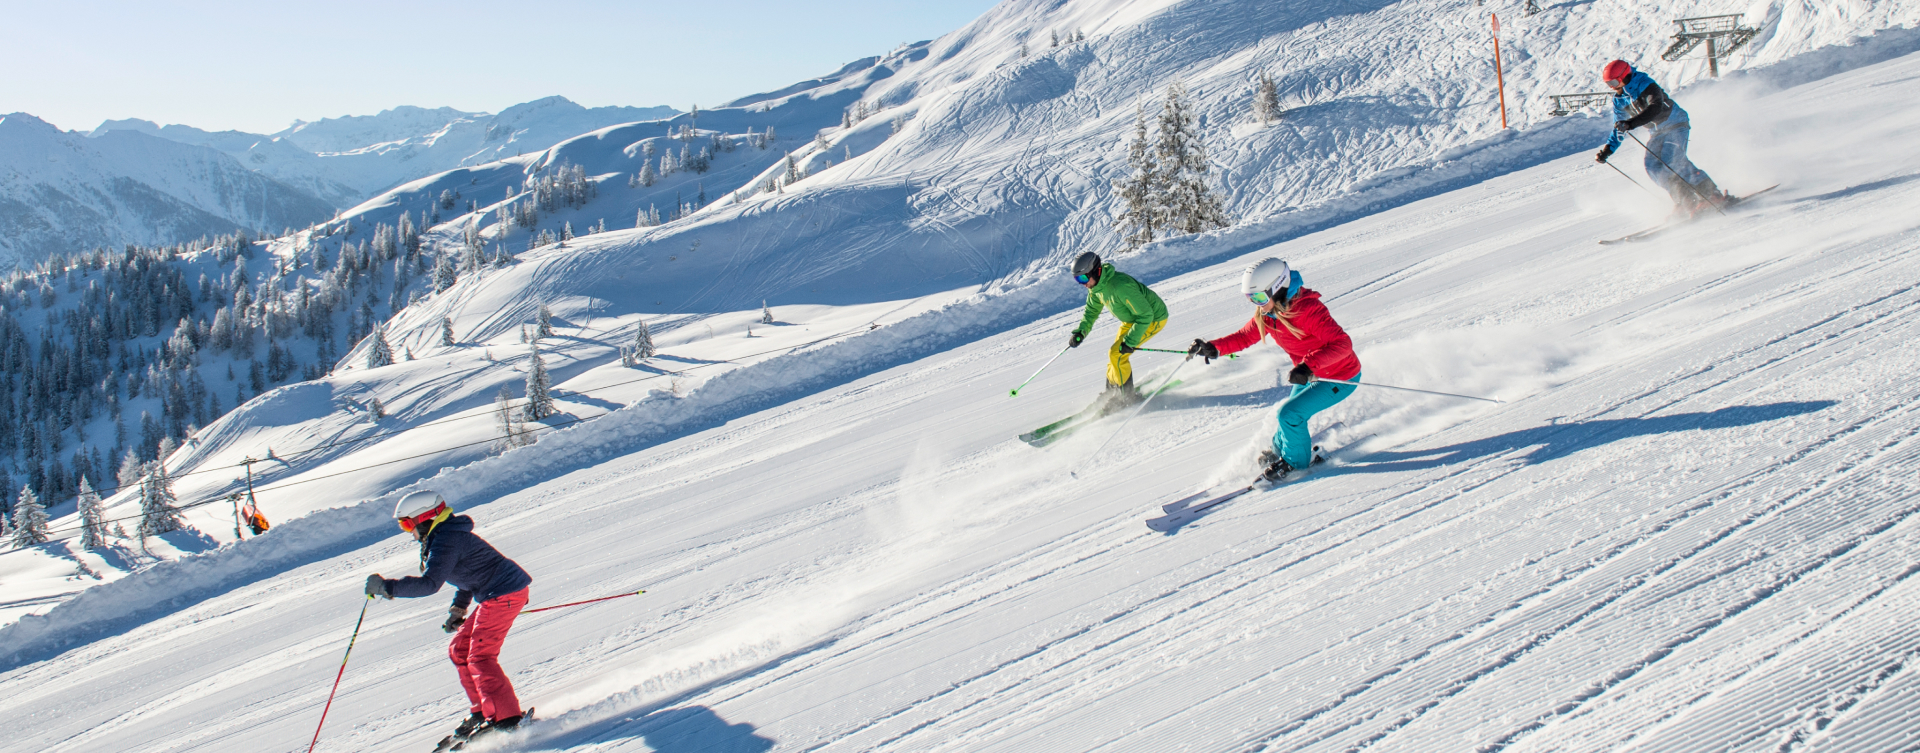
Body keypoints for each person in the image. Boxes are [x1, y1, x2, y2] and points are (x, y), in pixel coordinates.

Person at [366, 491, 533, 748]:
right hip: (495, 592)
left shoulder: (448, 540)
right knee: (460, 649)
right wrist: (458, 609)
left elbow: (429, 585)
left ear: (425, 518)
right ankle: (482, 710)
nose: (407, 531)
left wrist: (387, 587)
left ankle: (507, 719)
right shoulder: (443, 538)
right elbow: (468, 576)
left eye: (407, 523)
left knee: (480, 656)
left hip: (504, 593)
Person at [1187, 258, 1360, 481]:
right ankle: (1281, 451)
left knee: (1290, 414)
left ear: (1277, 289)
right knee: (1286, 414)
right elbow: (1245, 336)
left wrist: (1308, 365)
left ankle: (1296, 464)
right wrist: (1213, 347)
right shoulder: (1269, 314)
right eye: (1251, 298)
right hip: (1310, 374)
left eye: (1259, 297)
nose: (1256, 304)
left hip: (1339, 376)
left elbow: (1343, 344)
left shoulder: (1308, 310)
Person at [1593, 59, 1730, 218]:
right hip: (1657, 133)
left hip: (1675, 124)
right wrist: (1608, 150)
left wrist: (1631, 123)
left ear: (1624, 75)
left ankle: (1712, 195)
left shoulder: (1645, 83)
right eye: (1608, 83)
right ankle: (1686, 201)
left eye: (1614, 81)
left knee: (1672, 160)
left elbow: (1655, 108)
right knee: (1653, 167)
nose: (1612, 86)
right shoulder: (1619, 100)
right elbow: (1619, 126)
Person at [1067, 251, 1169, 410]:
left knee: (1118, 354)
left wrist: (1131, 341)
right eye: (1077, 279)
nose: (1082, 283)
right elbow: (1091, 311)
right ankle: (1111, 393)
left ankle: (1127, 398)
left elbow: (1146, 314)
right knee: (1113, 355)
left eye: (1083, 278)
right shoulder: (1096, 288)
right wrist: (1081, 331)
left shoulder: (1120, 286)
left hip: (1153, 318)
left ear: (1096, 271)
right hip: (1132, 320)